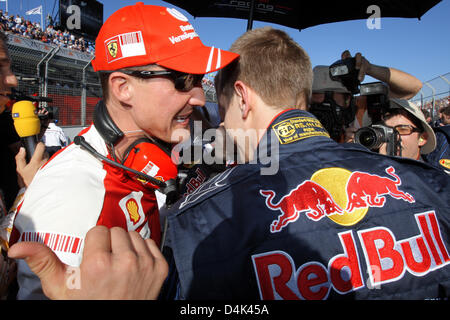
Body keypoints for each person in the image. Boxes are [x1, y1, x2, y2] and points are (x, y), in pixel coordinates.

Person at [10, 27, 450, 300]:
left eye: (213, 96)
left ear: (240, 97)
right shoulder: (429, 180)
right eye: (184, 85)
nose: (201, 104)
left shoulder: (206, 217)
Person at [8, 3, 238, 300]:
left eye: (198, 80)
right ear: (123, 88)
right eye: (183, 80)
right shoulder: (75, 195)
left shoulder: (139, 155)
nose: (197, 96)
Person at [310, 51, 422, 143]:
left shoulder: (362, 109)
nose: (321, 101)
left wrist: (370, 69)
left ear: (348, 99)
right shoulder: (302, 114)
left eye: (329, 95)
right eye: (315, 95)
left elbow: (413, 87)